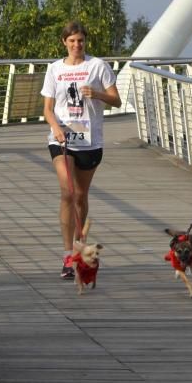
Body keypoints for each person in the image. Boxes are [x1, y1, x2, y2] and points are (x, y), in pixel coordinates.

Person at [42, 22, 122, 280]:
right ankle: (67, 255)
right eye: (72, 40)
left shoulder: (97, 66)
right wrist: (55, 127)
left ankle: (79, 245)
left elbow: (116, 99)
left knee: (80, 197)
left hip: (90, 140)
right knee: (68, 192)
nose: (77, 45)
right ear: (64, 42)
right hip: (62, 139)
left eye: (81, 41)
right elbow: (47, 108)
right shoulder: (55, 69)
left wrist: (97, 93)